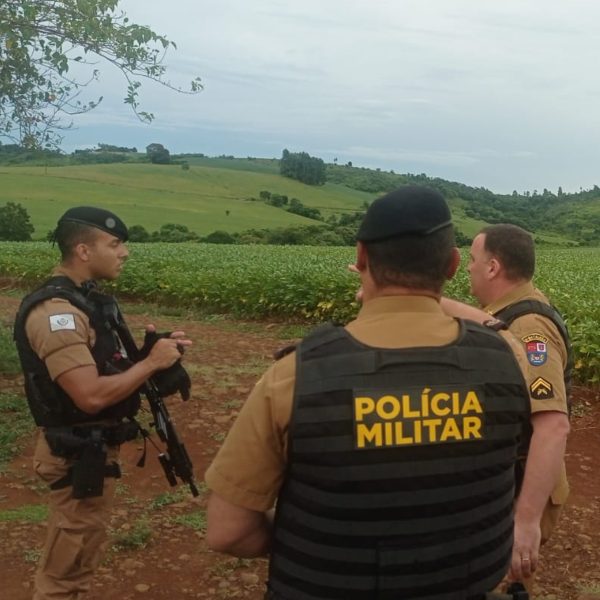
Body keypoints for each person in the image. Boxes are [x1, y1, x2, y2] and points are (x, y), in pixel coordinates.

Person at [205, 186, 536, 600]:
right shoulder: (509, 360)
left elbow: (227, 530)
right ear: (452, 265)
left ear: (361, 257)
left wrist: (320, 539)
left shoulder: (294, 376)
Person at [13, 206, 192, 600]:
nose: (124, 252)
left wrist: (148, 360)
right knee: (65, 576)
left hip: (90, 451)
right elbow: (90, 396)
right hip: (76, 455)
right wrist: (149, 363)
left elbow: (105, 371)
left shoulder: (86, 301)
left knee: (79, 560)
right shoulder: (57, 313)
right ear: (83, 251)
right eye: (114, 244)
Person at [442, 223, 571, 594]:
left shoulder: (531, 328)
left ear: (493, 267)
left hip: (517, 481)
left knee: (503, 582)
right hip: (508, 476)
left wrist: (526, 520)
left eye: (473, 260)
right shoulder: (510, 313)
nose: (467, 268)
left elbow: (552, 426)